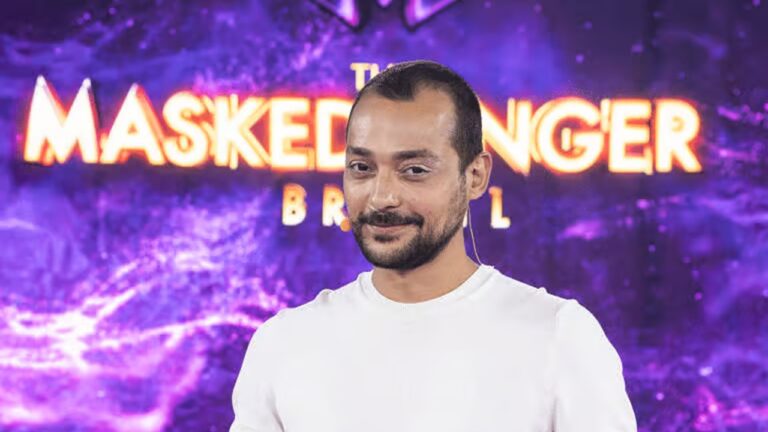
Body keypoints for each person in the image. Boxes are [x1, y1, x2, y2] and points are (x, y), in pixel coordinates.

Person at [229, 60, 637, 432]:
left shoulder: (559, 337)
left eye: (415, 171)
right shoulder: (285, 344)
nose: (381, 196)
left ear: (475, 176)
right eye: (362, 168)